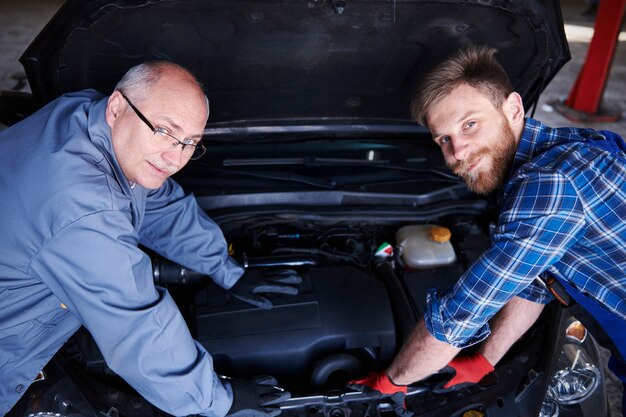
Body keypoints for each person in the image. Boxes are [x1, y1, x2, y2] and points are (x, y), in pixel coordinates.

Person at [0, 61, 295, 416]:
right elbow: (136, 327)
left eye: (190, 143)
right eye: (164, 131)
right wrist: (218, 399)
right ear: (116, 107)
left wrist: (225, 267)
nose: (175, 157)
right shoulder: (81, 208)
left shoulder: (84, 115)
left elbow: (157, 202)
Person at [349, 45, 626, 412]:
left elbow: (460, 315)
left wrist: (392, 380)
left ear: (512, 108)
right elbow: (539, 284)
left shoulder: (551, 183)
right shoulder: (551, 156)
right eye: (443, 140)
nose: (458, 152)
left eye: (469, 125)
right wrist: (485, 359)